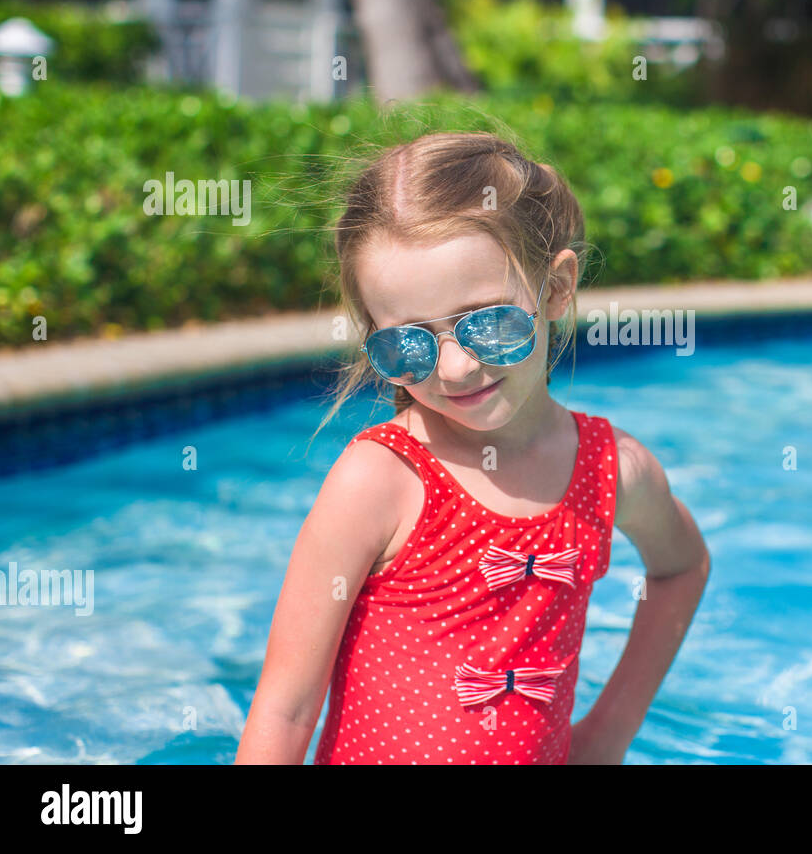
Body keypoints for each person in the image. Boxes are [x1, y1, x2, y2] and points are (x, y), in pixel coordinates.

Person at [235, 131, 710, 764]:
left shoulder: (610, 471)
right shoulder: (381, 481)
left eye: (486, 322)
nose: (455, 369)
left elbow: (681, 568)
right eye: (407, 344)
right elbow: (287, 710)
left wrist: (607, 735)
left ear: (557, 288)